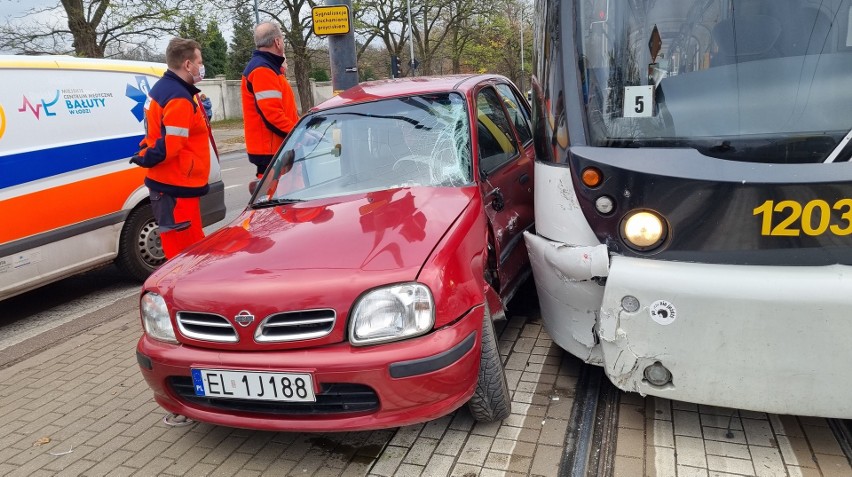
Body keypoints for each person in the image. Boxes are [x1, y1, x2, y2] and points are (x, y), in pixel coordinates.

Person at [130, 37, 211, 259]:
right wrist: (147, 156)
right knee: (188, 254)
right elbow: (171, 145)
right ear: (187, 64)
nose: (201, 67)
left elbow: (156, 133)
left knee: (180, 248)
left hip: (171, 185)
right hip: (177, 186)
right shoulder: (178, 96)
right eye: (199, 61)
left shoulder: (163, 89)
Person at [241, 21, 299, 178]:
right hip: (272, 152)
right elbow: (273, 115)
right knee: (276, 199)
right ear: (277, 42)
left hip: (274, 150)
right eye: (283, 40)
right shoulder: (263, 70)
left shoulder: (267, 68)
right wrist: (299, 132)